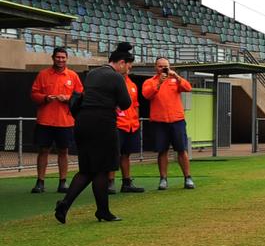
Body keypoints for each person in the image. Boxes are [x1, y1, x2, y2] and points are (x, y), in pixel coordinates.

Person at [54, 43, 133, 224]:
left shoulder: (93, 73)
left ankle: (67, 205)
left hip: (83, 122)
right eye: (128, 66)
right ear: (121, 63)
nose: (128, 70)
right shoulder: (116, 77)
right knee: (103, 169)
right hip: (102, 123)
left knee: (89, 169)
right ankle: (102, 211)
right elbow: (126, 103)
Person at [29, 47, 83, 194]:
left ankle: (63, 182)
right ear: (53, 58)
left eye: (63, 57)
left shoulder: (73, 76)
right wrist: (45, 98)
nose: (60, 60)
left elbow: (81, 97)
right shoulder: (43, 74)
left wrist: (68, 99)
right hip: (45, 120)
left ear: (67, 59)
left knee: (63, 151)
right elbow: (34, 94)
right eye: (58, 57)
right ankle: (40, 182)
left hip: (65, 121)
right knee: (43, 150)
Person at [141, 57, 195, 190]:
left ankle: (188, 178)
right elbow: (147, 95)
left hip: (177, 120)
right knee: (162, 150)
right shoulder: (150, 82)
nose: (163, 69)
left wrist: (176, 76)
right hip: (159, 121)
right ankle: (163, 179)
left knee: (181, 150)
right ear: (155, 67)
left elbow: (188, 88)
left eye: (166, 66)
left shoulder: (175, 80)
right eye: (160, 66)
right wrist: (159, 82)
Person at [110, 54, 145, 193]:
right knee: (113, 154)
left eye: (131, 64)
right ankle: (110, 182)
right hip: (118, 124)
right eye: (128, 64)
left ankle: (126, 182)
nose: (130, 67)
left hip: (131, 125)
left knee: (126, 154)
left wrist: (136, 118)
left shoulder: (132, 84)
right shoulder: (112, 81)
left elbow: (135, 103)